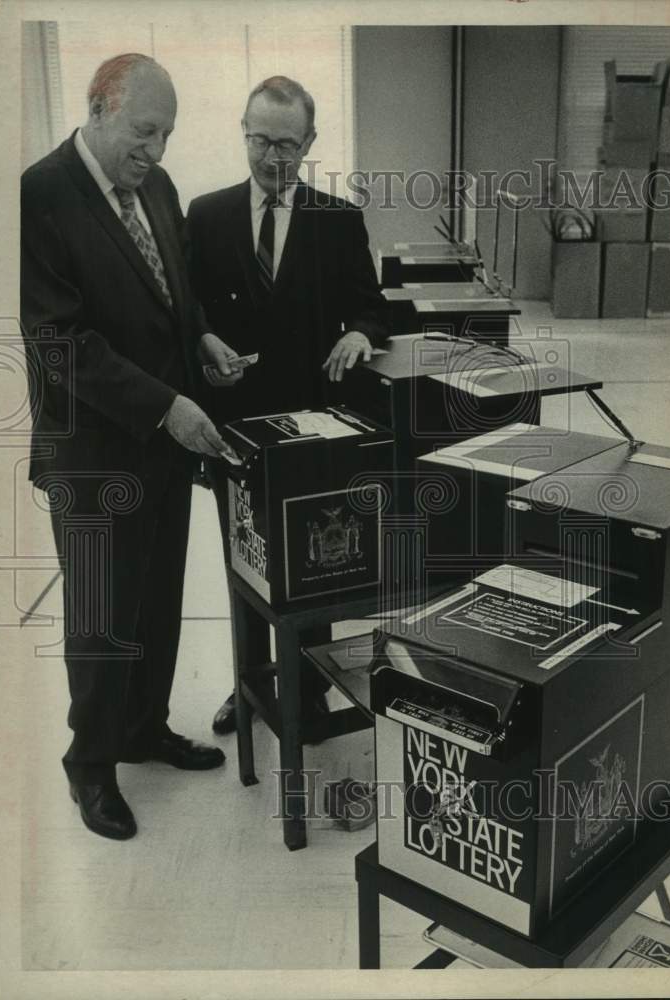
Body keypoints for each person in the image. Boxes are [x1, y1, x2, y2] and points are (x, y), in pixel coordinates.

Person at [20, 53, 240, 840]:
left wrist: (204, 333)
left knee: (156, 598)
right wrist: (165, 406)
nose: (157, 149)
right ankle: (92, 767)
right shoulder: (37, 195)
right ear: (99, 107)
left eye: (168, 134)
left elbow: (174, 289)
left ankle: (145, 728)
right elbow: (58, 341)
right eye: (145, 130)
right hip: (94, 454)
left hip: (164, 441)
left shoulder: (156, 185)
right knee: (101, 617)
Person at [187, 75, 389, 735]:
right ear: (244, 132)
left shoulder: (338, 219)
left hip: (312, 432)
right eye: (261, 141)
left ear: (310, 142)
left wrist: (360, 331)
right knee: (243, 555)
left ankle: (306, 684)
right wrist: (202, 340)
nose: (273, 158)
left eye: (288, 145)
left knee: (314, 567)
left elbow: (370, 303)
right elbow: (187, 311)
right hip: (234, 429)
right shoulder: (207, 215)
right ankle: (247, 683)